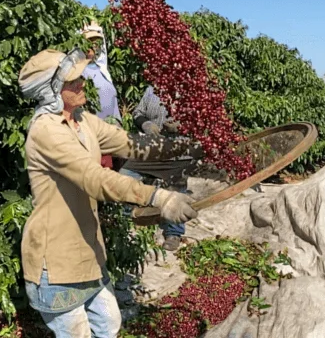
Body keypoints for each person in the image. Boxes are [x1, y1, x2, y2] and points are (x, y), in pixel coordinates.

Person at [18, 48, 198, 338]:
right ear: (51, 90)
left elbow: (129, 143)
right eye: (72, 81)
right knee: (77, 333)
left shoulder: (84, 121)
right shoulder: (46, 131)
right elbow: (95, 179)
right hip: (56, 260)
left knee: (110, 324)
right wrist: (158, 197)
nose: (82, 83)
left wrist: (184, 147)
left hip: (88, 252)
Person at [122, 85, 202, 251]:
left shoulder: (193, 87)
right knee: (125, 175)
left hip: (179, 152)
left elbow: (204, 120)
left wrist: (182, 126)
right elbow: (138, 113)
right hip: (151, 149)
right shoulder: (152, 89)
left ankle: (173, 232)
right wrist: (146, 124)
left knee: (176, 189)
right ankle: (122, 220)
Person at [81, 22, 121, 169]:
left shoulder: (101, 67)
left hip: (109, 130)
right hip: (93, 134)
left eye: (96, 42)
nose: (94, 46)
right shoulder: (79, 70)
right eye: (89, 42)